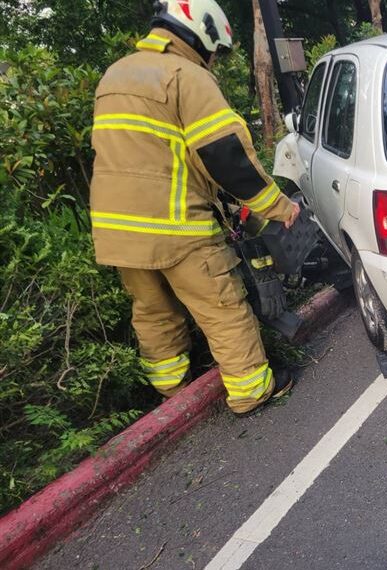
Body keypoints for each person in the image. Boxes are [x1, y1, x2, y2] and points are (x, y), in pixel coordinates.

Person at [89, 0, 300, 415]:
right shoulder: (186, 76)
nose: (213, 61)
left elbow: (151, 158)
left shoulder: (114, 76)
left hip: (116, 230)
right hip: (176, 226)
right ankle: (252, 390)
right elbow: (225, 156)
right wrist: (277, 207)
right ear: (200, 33)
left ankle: (172, 394)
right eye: (214, 51)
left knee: (153, 313)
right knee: (222, 307)